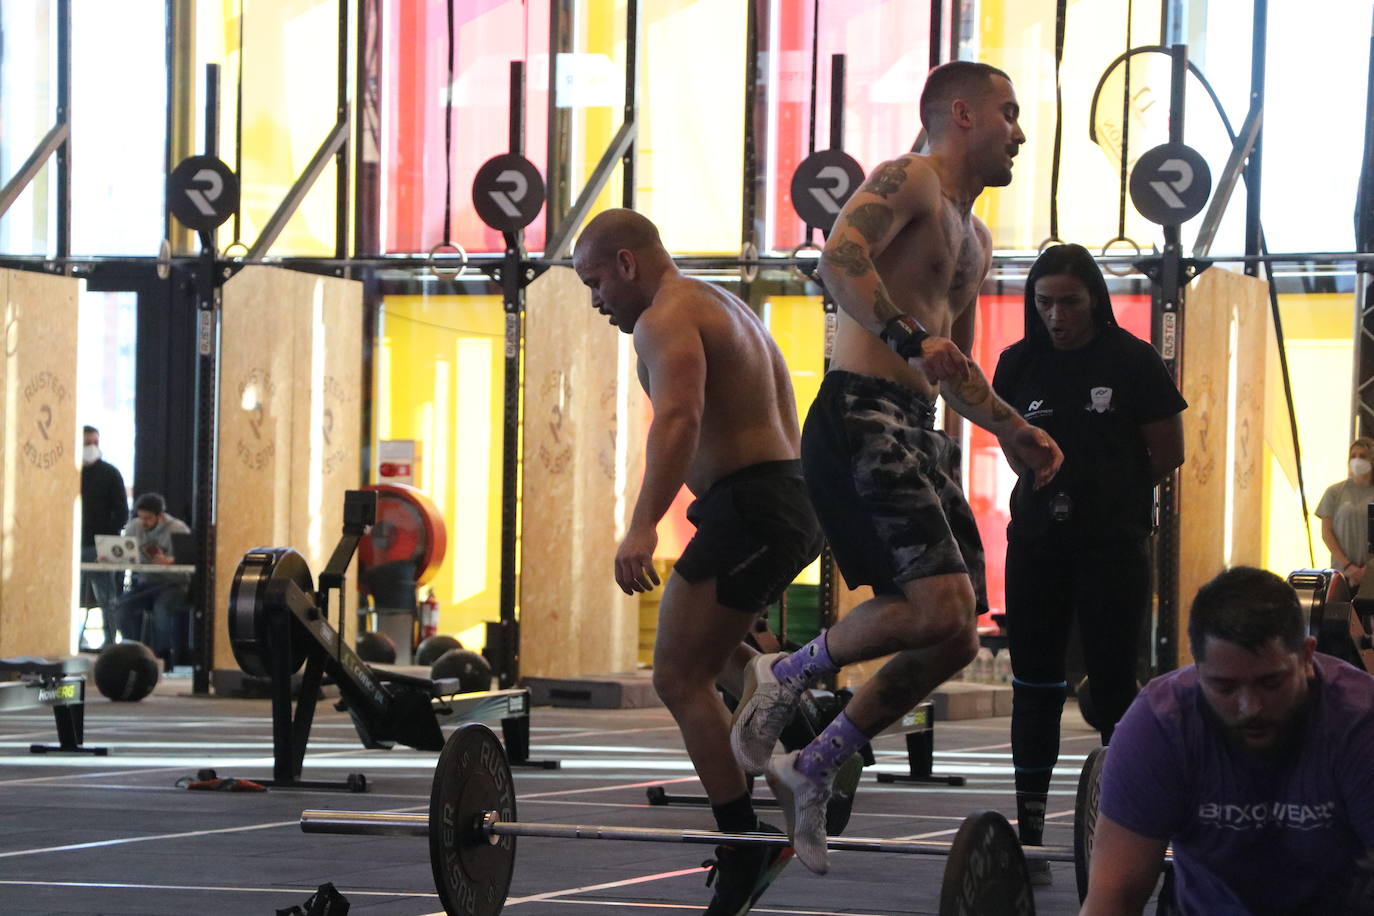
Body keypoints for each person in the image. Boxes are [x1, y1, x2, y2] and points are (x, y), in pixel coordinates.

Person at [729, 60, 1062, 875]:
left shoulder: (975, 238)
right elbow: (837, 262)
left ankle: (815, 762)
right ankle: (787, 672)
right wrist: (910, 336)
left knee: (956, 630)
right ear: (963, 114)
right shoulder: (908, 177)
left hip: (915, 424)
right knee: (931, 604)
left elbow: (956, 367)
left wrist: (1014, 429)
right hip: (858, 412)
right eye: (1009, 114)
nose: (1021, 133)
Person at [572, 208, 825, 915]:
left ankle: (745, 844)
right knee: (716, 654)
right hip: (781, 499)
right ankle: (811, 734)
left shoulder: (663, 317)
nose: (596, 302)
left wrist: (641, 528)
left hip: (755, 504)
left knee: (677, 674)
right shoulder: (721, 303)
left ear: (627, 263)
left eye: (595, 283)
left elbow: (678, 420)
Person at [990, 243, 1186, 881]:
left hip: (1112, 545)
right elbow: (1013, 449)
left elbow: (1168, 451)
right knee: (1035, 686)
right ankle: (1030, 831)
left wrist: (1114, 493)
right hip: (1039, 544)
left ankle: (1124, 829)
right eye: (1043, 303)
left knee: (1112, 687)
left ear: (1095, 300)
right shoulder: (1018, 363)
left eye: (1068, 302)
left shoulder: (1132, 361)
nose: (1056, 315)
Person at [1081, 566, 1374, 915]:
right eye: (1225, 687)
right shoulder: (1159, 728)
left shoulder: (1360, 724)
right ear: (1197, 669)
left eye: (1270, 683)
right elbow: (1114, 899)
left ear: (1308, 656)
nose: (1250, 708)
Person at [115, 493, 192, 669]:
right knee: (122, 605)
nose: (143, 522)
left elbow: (189, 560)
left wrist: (170, 561)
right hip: (147, 583)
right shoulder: (134, 527)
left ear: (161, 516)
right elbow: (126, 553)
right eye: (140, 517)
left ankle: (164, 658)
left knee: (161, 609)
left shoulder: (178, 529)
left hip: (175, 584)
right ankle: (132, 653)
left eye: (148, 518)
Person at [80, 425, 128, 649]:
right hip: (74, 546)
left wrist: (108, 542)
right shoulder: (71, 474)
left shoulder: (110, 473)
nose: (92, 447)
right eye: (87, 443)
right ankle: (76, 639)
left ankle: (110, 643)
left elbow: (121, 513)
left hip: (101, 546)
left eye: (95, 443)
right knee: (73, 600)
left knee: (108, 598)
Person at [1316, 436, 1374, 588]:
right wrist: (1349, 567)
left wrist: (1367, 570)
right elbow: (1327, 532)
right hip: (1341, 573)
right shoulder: (1334, 492)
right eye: (1353, 456)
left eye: (1362, 456)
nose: (1357, 460)